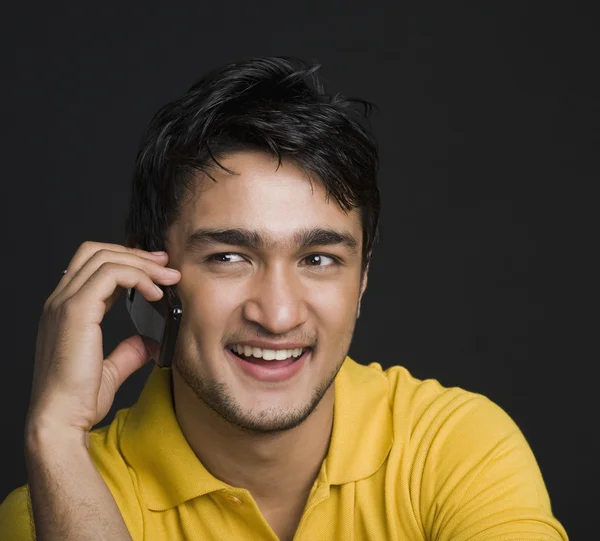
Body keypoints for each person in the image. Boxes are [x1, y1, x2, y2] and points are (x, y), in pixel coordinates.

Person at [0, 56, 568, 541]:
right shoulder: (61, 499)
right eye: (229, 257)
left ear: (362, 279)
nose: (277, 315)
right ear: (146, 273)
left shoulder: (454, 447)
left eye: (318, 260)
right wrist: (54, 434)